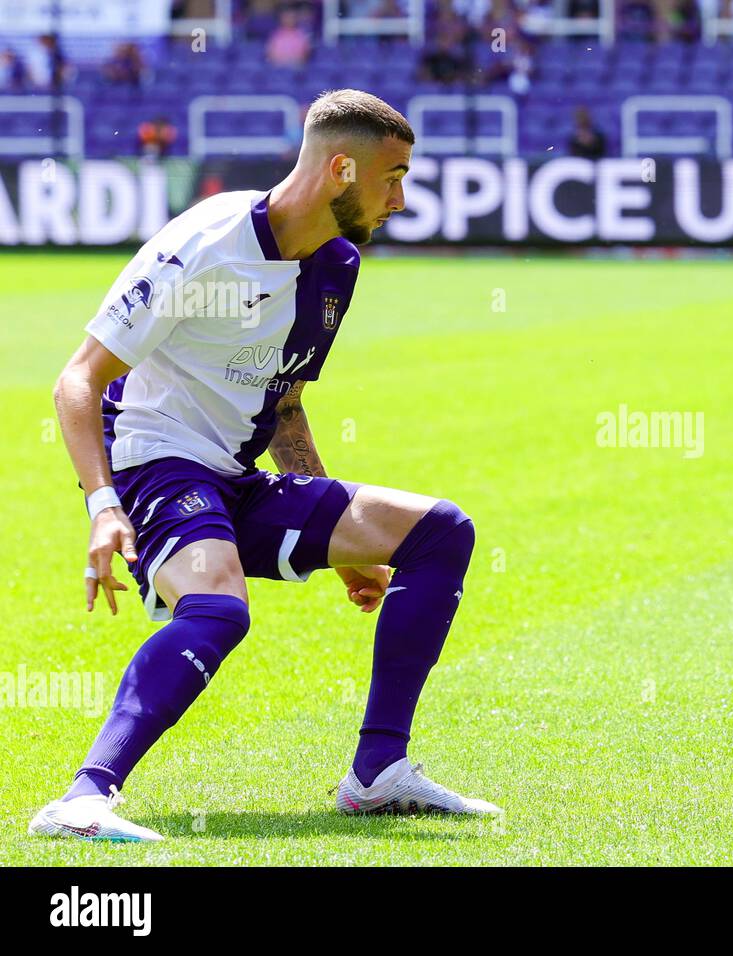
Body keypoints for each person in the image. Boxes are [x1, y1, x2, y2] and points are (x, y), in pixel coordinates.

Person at [31, 89, 500, 843]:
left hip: (233, 474)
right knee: (218, 607)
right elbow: (77, 380)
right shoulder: (203, 244)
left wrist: (339, 539)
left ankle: (377, 773)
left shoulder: (336, 264)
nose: (401, 200)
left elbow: (283, 404)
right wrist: (102, 507)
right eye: (393, 177)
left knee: (441, 532)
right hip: (156, 462)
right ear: (342, 169)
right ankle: (83, 800)